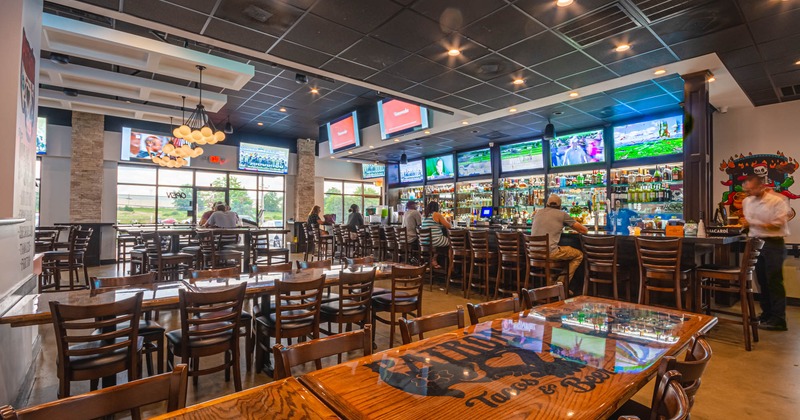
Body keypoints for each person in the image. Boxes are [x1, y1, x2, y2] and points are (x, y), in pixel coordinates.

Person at [742, 174, 791, 331]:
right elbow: (749, 224)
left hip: (773, 243)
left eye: (751, 189)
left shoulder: (777, 200)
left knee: (774, 281)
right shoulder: (747, 201)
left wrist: (752, 223)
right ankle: (767, 314)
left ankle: (779, 319)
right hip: (755, 243)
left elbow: (778, 224)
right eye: (746, 190)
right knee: (761, 281)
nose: (748, 193)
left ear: (761, 186)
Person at [531, 194, 588, 287]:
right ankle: (560, 285)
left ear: (546, 204)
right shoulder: (562, 214)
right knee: (579, 255)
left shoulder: (537, 213)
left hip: (532, 253)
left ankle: (555, 285)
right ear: (560, 206)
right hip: (550, 253)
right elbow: (583, 230)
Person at [421, 201, 451, 269]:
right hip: (434, 240)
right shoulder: (437, 214)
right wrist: (449, 221)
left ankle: (433, 260)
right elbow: (449, 226)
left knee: (438, 242)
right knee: (452, 242)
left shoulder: (423, 215)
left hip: (424, 241)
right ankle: (451, 267)